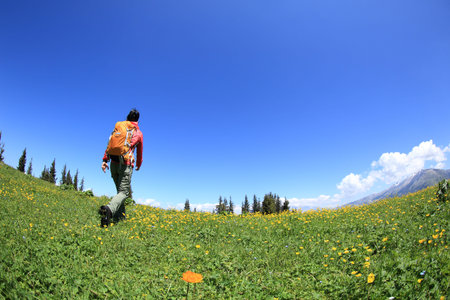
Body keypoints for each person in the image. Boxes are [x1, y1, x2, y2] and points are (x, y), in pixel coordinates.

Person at [99, 109, 143, 227]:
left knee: (120, 192)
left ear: (127, 117)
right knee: (124, 192)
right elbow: (139, 151)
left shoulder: (118, 128)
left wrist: (104, 160)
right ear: (137, 120)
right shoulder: (137, 132)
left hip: (113, 163)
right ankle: (108, 210)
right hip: (126, 164)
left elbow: (110, 144)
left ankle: (120, 218)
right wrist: (138, 164)